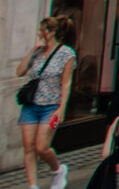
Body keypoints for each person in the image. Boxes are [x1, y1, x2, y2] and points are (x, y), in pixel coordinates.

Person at [19, 14, 74, 189]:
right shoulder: (37, 52)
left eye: (41, 31)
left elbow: (66, 82)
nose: (39, 34)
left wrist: (61, 108)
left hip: (50, 105)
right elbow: (19, 72)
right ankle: (32, 185)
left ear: (51, 33)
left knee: (42, 147)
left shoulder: (66, 53)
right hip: (31, 105)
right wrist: (32, 50)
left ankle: (57, 170)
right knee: (29, 147)